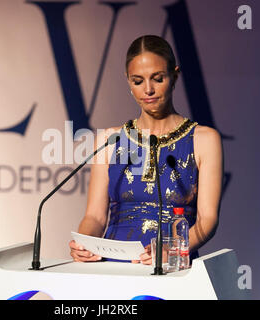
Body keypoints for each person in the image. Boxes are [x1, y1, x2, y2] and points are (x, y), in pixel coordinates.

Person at [69, 35, 223, 265]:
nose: (148, 90)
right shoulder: (108, 140)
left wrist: (173, 250)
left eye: (158, 79)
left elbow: (207, 219)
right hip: (114, 265)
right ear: (128, 81)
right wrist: (85, 243)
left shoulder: (204, 139)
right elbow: (94, 216)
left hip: (172, 265)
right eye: (138, 81)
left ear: (175, 75)